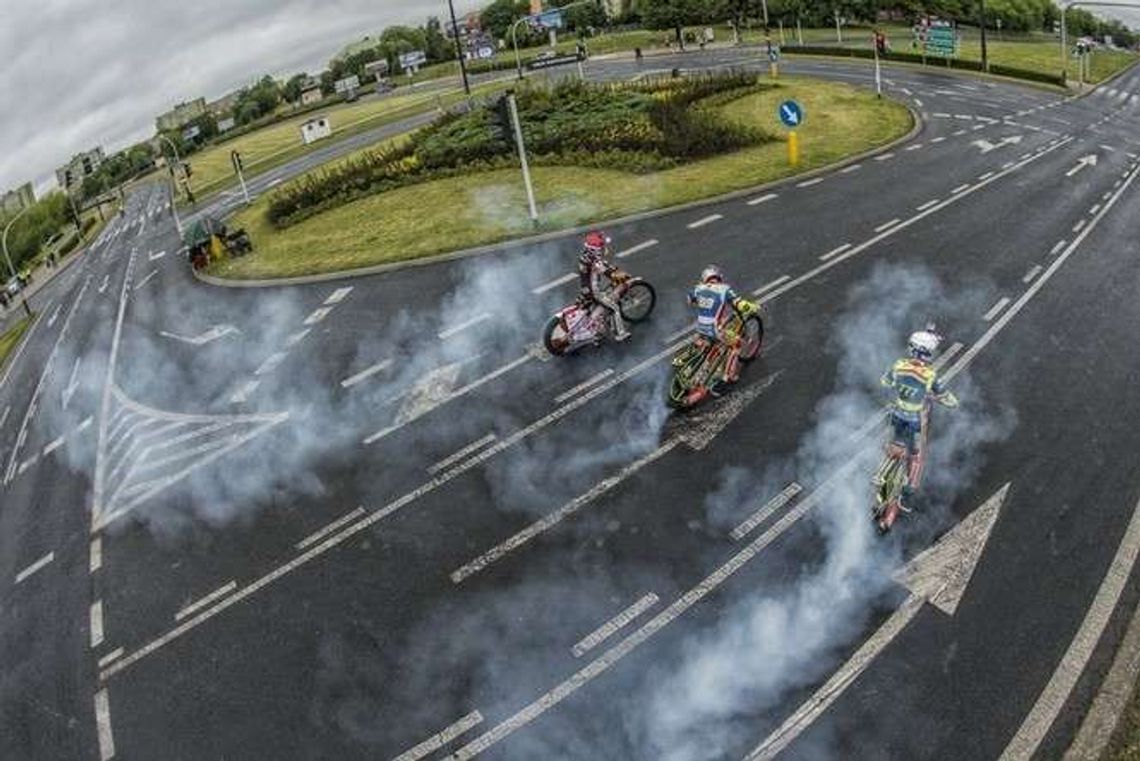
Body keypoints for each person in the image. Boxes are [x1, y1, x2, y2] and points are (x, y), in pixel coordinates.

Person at [877, 328, 959, 503]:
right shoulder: (929, 375)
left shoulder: (899, 365)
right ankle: (909, 488)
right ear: (928, 353)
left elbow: (885, 382)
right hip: (914, 420)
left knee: (893, 441)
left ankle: (884, 470)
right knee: (916, 454)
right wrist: (952, 402)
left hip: (896, 414)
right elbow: (944, 396)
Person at [687, 265, 757, 392]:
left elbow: (690, 300)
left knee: (718, 329)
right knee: (736, 344)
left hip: (700, 328)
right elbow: (739, 303)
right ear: (718, 277)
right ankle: (727, 377)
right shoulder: (724, 289)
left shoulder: (698, 288)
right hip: (714, 330)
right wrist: (750, 307)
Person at [577, 231, 630, 341]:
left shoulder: (584, 256)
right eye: (601, 247)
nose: (603, 248)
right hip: (594, 292)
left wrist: (612, 268)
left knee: (598, 308)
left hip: (585, 289)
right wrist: (618, 275)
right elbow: (609, 274)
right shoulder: (596, 263)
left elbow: (603, 265)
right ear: (595, 250)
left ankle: (598, 333)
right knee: (614, 308)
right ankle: (620, 334)